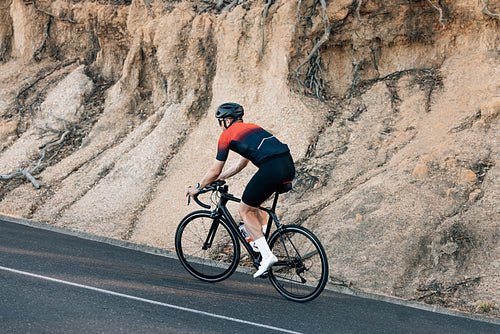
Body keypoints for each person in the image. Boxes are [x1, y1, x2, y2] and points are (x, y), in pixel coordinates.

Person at [186, 102, 295, 278]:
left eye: (220, 121)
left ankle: (267, 256)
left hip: (271, 168)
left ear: (227, 121)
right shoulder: (252, 128)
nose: (220, 125)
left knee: (244, 209)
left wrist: (198, 187)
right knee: (255, 205)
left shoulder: (226, 136)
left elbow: (215, 169)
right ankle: (262, 244)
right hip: (287, 164)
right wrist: (223, 177)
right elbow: (241, 163)